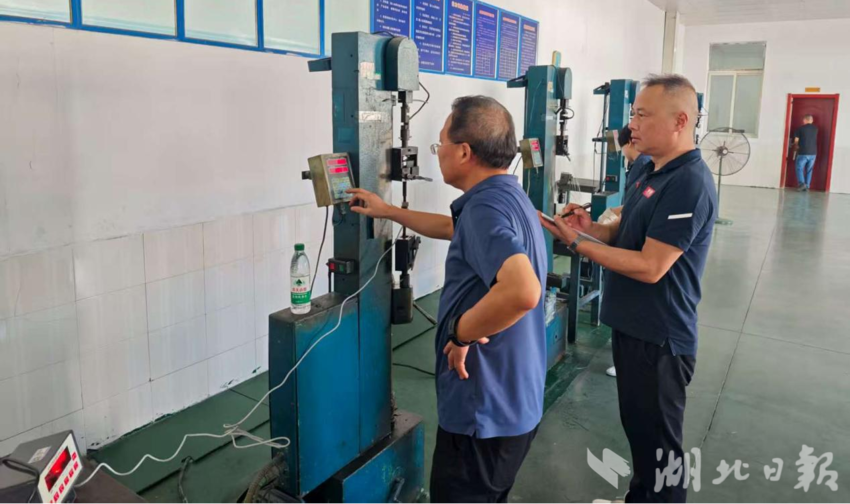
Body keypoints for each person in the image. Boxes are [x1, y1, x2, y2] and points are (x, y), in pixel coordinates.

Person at [347, 95, 547, 503]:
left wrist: (461, 334)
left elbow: (523, 291)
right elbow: (453, 228)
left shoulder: (484, 210)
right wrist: (388, 211)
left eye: (440, 144)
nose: (438, 152)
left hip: (483, 409)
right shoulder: (507, 195)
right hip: (516, 400)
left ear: (465, 152)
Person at [541, 74, 717, 504]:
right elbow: (623, 237)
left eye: (642, 115)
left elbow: (651, 266)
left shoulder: (688, 183)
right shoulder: (648, 169)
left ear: (680, 121)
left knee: (659, 449)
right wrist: (590, 229)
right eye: (633, 113)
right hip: (633, 327)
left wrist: (578, 244)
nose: (631, 124)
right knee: (641, 436)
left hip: (659, 337)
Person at [602, 127, 652, 378]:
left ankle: (624, 360)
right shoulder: (646, 165)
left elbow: (635, 203)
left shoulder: (643, 165)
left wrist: (581, 241)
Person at [793, 114, 818, 191]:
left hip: (803, 152)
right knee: (809, 170)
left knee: (799, 168)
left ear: (804, 120)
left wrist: (795, 148)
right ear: (811, 120)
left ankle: (802, 184)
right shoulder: (815, 129)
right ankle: (807, 186)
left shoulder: (800, 129)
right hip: (813, 153)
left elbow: (796, 141)